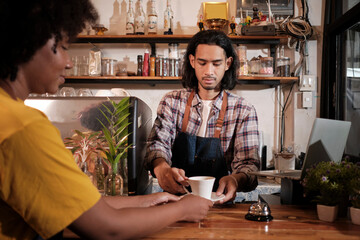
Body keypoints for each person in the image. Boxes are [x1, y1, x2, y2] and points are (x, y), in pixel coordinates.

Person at [0, 1, 213, 240]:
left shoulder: (7, 113)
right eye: (61, 47)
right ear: (26, 44)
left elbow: (83, 204)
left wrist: (153, 199)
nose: (68, 62)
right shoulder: (24, 126)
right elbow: (107, 228)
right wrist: (182, 208)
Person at [145, 30, 260, 204]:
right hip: (175, 204)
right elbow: (158, 144)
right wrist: (162, 169)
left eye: (216, 63)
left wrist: (236, 180)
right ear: (192, 61)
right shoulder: (172, 102)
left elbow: (249, 165)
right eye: (202, 62)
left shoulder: (243, 110)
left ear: (228, 63)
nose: (209, 71)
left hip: (221, 206)